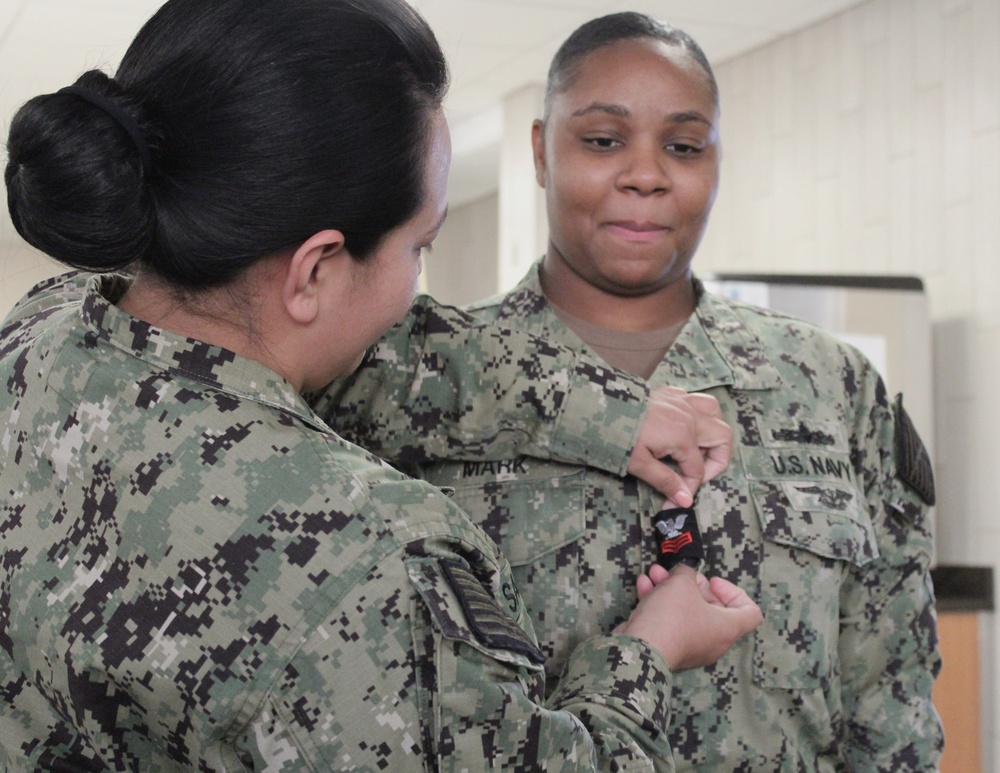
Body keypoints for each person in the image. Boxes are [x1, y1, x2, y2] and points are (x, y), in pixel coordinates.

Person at [0, 0, 764, 769]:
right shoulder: (365, 562)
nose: (414, 289)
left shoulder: (41, 336)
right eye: (419, 248)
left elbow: (395, 363)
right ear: (316, 268)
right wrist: (647, 649)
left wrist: (612, 414)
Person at [324, 11, 943, 772]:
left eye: (683, 146)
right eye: (603, 140)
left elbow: (891, 692)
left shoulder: (830, 385)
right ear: (540, 151)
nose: (646, 174)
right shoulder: (404, 373)